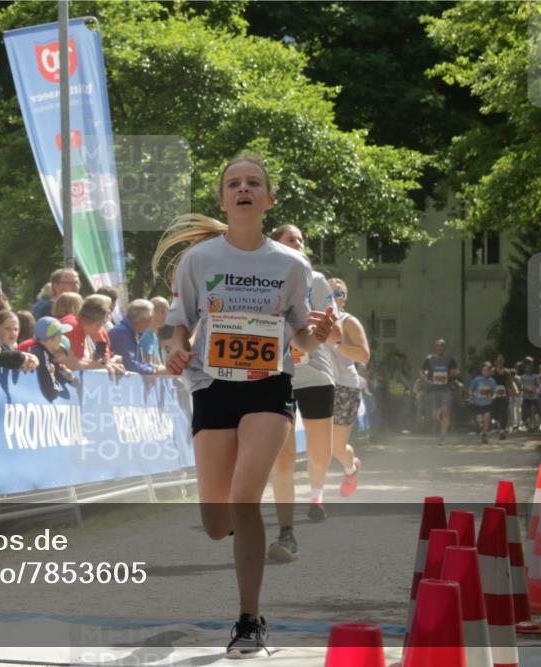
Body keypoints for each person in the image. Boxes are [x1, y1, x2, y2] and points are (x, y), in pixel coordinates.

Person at [154, 156, 335, 656]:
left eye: (254, 183)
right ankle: (239, 529)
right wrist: (177, 349)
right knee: (217, 524)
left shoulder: (291, 264)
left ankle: (249, 620)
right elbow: (180, 324)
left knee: (245, 500)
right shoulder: (199, 260)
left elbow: (301, 336)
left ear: (268, 200)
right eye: (234, 183)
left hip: (268, 387)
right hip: (212, 386)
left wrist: (317, 334)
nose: (244, 188)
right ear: (223, 200)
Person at [266, 224, 341, 564]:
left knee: (320, 455)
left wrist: (325, 328)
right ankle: (287, 531)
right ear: (275, 245)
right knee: (283, 458)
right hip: (278, 374)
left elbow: (335, 331)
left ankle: (317, 489)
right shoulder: (263, 278)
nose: (297, 242)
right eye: (290, 238)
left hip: (315, 375)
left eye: (301, 239)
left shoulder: (318, 280)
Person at [327, 278, 369, 496]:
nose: (334, 297)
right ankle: (316, 497)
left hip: (344, 387)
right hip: (318, 385)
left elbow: (363, 355)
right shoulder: (312, 320)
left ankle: (351, 469)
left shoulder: (348, 321)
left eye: (339, 293)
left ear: (344, 299)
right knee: (320, 446)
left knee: (336, 448)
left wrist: (335, 344)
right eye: (330, 293)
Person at [108, 299, 168, 375]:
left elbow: (139, 362)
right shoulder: (122, 333)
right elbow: (129, 365)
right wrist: (153, 371)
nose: (151, 322)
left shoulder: (131, 332)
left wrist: (155, 368)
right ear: (142, 320)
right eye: (150, 319)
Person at [421, 339, 459, 445]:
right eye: (438, 345)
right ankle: (437, 424)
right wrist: (426, 380)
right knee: (434, 415)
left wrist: (448, 374)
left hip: (446, 389)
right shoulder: (429, 359)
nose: (440, 347)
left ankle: (443, 437)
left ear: (444, 347)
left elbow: (457, 371)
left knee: (446, 412)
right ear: (435, 347)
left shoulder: (449, 359)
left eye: (442, 345)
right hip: (433, 390)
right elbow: (421, 371)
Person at [469, 362, 497, 443]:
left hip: (487, 404)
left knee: (486, 418)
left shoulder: (492, 381)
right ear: (481, 371)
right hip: (478, 404)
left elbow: (495, 392)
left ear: (490, 371)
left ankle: (484, 435)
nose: (485, 372)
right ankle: (480, 427)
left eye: (487, 370)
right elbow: (471, 389)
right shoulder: (477, 380)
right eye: (483, 370)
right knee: (480, 420)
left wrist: (493, 397)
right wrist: (471, 396)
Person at [139, 296, 169, 366]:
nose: (166, 315)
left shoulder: (153, 335)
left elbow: (159, 364)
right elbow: (147, 365)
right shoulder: (146, 335)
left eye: (167, 311)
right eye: (163, 311)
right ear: (152, 312)